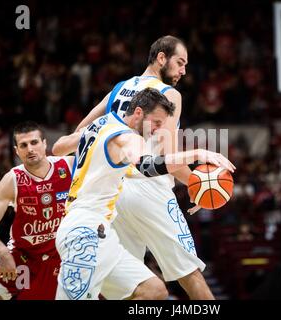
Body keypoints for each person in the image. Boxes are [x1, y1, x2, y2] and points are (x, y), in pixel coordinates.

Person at [64, 35, 215, 300]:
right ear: (161, 58)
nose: (183, 71)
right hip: (150, 186)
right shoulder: (170, 95)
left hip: (116, 193)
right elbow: (169, 156)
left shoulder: (119, 88)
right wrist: (198, 184)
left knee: (127, 289)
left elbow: (81, 132)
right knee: (189, 273)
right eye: (180, 62)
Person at [53, 88, 235, 300]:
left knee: (153, 291)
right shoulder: (128, 137)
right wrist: (198, 154)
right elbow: (147, 167)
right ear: (138, 113)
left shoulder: (100, 124)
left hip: (101, 231)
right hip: (85, 231)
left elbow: (58, 148)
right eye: (156, 123)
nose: (158, 130)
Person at [0, 121, 74, 300]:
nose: (30, 149)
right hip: (23, 258)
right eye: (23, 145)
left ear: (45, 144)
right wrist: (3, 253)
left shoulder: (68, 166)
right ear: (17, 151)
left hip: (61, 256)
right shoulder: (12, 179)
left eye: (34, 142)